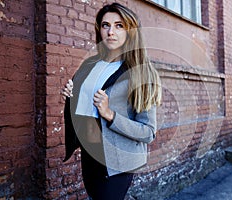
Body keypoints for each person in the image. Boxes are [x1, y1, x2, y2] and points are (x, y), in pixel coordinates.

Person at [61, 2, 162, 200]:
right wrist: (71, 97)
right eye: (105, 25)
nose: (110, 32)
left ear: (130, 31)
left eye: (119, 25)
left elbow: (148, 132)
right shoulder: (89, 65)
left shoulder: (141, 73)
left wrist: (110, 114)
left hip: (117, 162)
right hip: (89, 153)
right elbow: (82, 108)